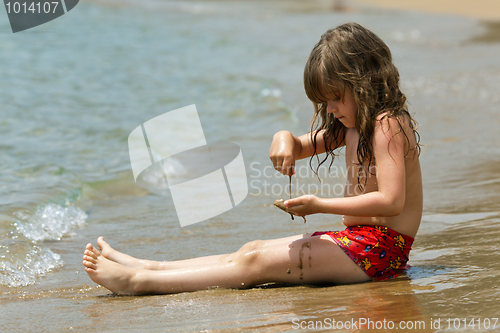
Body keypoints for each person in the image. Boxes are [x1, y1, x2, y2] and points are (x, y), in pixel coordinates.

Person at [82, 22, 422, 295]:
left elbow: (392, 201)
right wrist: (283, 139)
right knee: (251, 249)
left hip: (380, 253)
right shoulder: (353, 126)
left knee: (255, 261)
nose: (330, 109)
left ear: (362, 83)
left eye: (335, 98)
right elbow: (300, 145)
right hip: (362, 246)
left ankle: (138, 283)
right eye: (324, 102)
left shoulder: (387, 123)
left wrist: (319, 204)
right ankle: (146, 267)